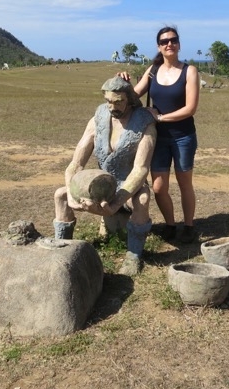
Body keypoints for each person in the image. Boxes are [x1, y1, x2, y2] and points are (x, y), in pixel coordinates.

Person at [53, 76, 157, 275]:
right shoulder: (98, 119)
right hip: (98, 184)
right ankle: (62, 246)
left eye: (118, 102)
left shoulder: (144, 124)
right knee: (61, 195)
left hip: (127, 184)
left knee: (143, 198)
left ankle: (133, 255)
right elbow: (75, 164)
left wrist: (117, 203)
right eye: (108, 101)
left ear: (129, 100)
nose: (112, 107)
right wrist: (73, 194)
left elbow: (140, 170)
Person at [119, 26, 200, 243]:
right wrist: (124, 83)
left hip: (183, 136)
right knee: (158, 187)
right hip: (158, 138)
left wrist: (160, 117)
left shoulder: (189, 71)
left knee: (184, 183)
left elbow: (190, 108)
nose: (169, 44)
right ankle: (170, 225)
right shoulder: (153, 70)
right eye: (164, 41)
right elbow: (133, 96)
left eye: (173, 40)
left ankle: (189, 226)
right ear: (159, 47)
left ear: (179, 44)